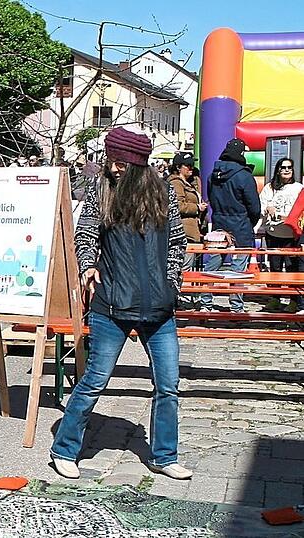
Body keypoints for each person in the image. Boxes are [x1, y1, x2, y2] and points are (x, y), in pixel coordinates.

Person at [50, 127, 191, 481]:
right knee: (94, 379)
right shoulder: (102, 192)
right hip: (111, 303)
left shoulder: (162, 193)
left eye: (118, 162)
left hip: (159, 307)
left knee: (168, 385)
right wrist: (88, 265)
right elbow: (84, 234)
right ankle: (64, 450)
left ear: (135, 165)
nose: (111, 168)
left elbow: (177, 242)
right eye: (110, 160)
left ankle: (163, 455)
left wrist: (172, 282)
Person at [201, 138, 261, 313]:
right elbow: (254, 206)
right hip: (241, 224)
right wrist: (250, 222)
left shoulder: (213, 175)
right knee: (238, 267)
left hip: (219, 223)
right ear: (241, 154)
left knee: (213, 263)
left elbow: (211, 198)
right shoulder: (244, 175)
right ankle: (236, 307)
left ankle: (205, 303)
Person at [259, 158, 303, 312]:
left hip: (291, 235)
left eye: (289, 167)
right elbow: (261, 205)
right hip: (273, 233)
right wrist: (268, 208)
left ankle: (294, 300)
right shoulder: (269, 188)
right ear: (278, 169)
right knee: (275, 268)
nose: (286, 170)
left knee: (292, 269)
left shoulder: (298, 188)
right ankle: (274, 298)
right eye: (283, 167)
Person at [168, 152, 205, 309]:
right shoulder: (175, 183)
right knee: (181, 267)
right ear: (178, 167)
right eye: (187, 165)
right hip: (183, 231)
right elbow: (177, 205)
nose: (191, 168)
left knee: (186, 267)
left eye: (192, 165)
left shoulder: (191, 182)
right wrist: (197, 207)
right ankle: (175, 300)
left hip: (192, 230)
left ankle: (179, 299)